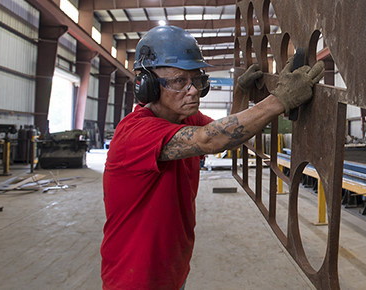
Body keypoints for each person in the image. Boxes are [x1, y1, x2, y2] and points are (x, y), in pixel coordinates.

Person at [100, 25, 324, 289]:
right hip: (134, 278)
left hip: (172, 269)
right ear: (146, 85)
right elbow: (209, 139)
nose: (192, 89)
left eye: (196, 79)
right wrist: (280, 100)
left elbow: (226, 135)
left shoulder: (184, 118)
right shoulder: (135, 133)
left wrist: (240, 92)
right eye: (178, 81)